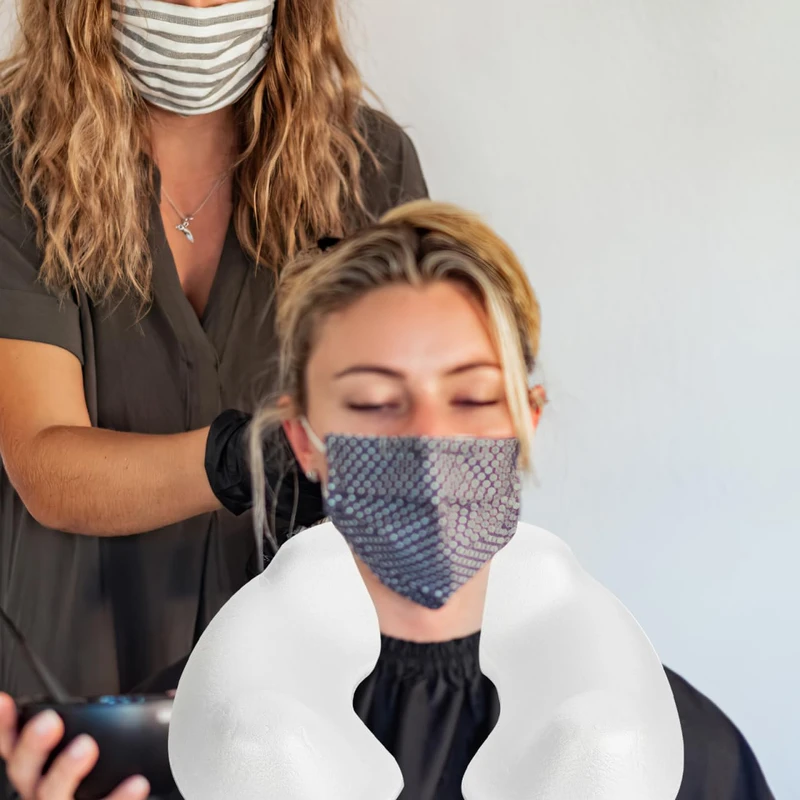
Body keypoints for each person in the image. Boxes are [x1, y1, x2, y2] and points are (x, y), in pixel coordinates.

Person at [0, 202, 774, 799]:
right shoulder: (176, 737)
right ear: (304, 440)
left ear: (524, 421)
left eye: (471, 398)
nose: (428, 438)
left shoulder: (679, 751)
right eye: (375, 403)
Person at [0, 0, 427, 725]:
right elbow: (46, 465)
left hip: (300, 697)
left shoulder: (369, 167)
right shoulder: (19, 158)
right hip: (69, 687)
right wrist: (249, 458)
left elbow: (412, 442)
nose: (201, 9)